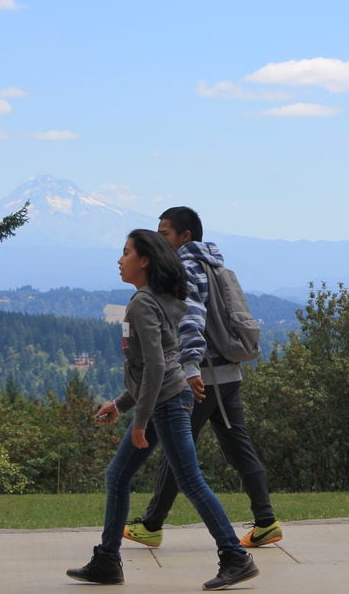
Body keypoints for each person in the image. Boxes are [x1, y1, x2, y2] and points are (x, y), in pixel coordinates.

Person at [65, 229, 259, 590]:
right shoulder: (159, 298)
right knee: (118, 476)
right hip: (166, 397)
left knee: (189, 479)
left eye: (125, 253)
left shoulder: (143, 303)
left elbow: (156, 366)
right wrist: (123, 404)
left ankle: (235, 556)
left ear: (145, 261)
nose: (119, 260)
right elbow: (163, 361)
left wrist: (139, 421)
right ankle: (107, 560)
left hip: (166, 402)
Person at [123, 206, 282, 550]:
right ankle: (266, 522)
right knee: (239, 449)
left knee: (177, 449)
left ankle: (151, 525)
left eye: (164, 233)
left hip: (202, 376)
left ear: (185, 237)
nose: (160, 238)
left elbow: (190, 319)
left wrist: (190, 367)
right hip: (227, 374)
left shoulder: (187, 266)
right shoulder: (216, 265)